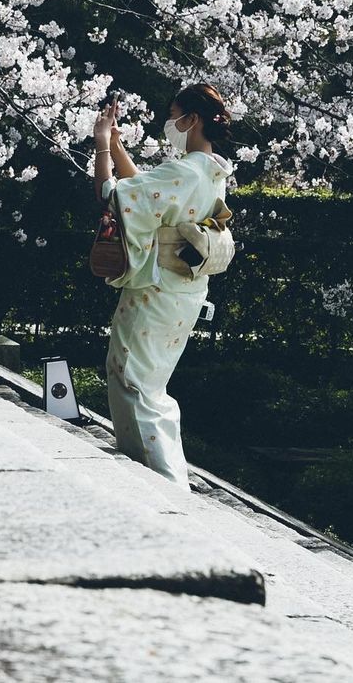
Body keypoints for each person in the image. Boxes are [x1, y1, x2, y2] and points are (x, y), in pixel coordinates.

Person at [92, 83, 234, 488]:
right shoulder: (211, 170)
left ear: (191, 120)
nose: (169, 123)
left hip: (154, 292)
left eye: (175, 115)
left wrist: (102, 144)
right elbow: (145, 197)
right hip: (184, 291)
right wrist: (119, 148)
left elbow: (112, 197)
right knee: (151, 383)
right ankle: (166, 474)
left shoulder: (184, 170)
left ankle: (162, 483)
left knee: (132, 380)